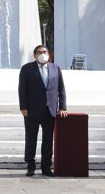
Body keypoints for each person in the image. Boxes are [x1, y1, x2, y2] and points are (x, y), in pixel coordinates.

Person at [17, 44, 67, 177]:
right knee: (31, 139)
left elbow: (61, 89)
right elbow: (22, 89)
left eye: (45, 51)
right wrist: (23, 107)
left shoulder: (55, 68)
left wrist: (62, 107)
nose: (43, 54)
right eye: (39, 52)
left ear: (49, 54)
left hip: (49, 110)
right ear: (34, 55)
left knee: (48, 140)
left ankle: (46, 167)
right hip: (31, 111)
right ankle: (30, 165)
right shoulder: (27, 69)